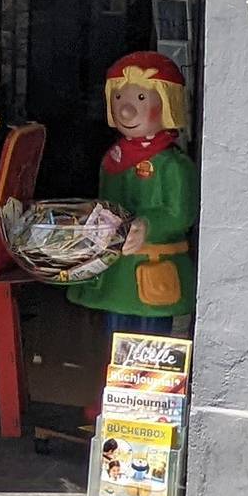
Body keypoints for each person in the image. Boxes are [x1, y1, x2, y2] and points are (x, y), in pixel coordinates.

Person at [63, 51, 197, 334]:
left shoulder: (174, 164)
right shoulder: (113, 158)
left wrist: (148, 225)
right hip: (116, 273)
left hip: (153, 268)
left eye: (140, 98)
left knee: (150, 345)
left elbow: (181, 214)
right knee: (117, 342)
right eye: (119, 98)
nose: (126, 109)